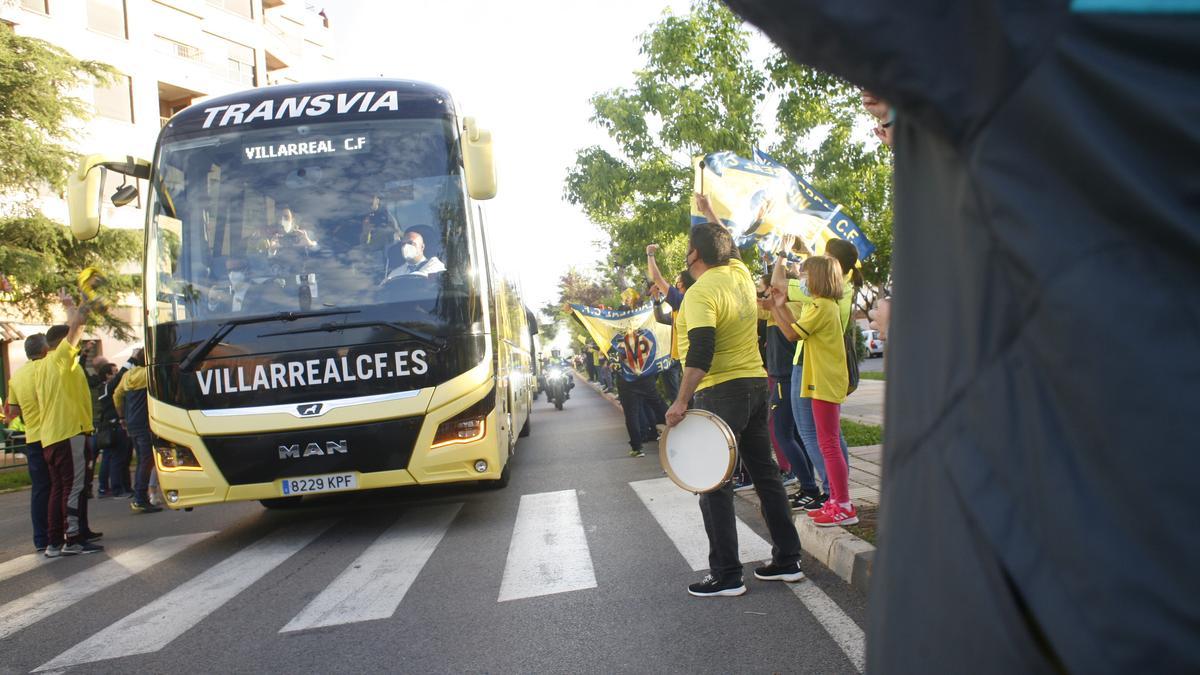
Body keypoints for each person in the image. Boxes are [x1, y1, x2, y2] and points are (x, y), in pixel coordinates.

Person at [665, 220, 803, 597]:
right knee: (766, 475)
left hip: (719, 391)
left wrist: (680, 401)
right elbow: (729, 247)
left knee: (714, 483)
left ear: (694, 254)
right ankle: (788, 559)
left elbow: (701, 352)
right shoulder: (740, 274)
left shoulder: (700, 292)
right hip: (756, 386)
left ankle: (727, 574)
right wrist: (710, 214)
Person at [771, 236, 857, 511]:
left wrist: (776, 306)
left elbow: (791, 333)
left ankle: (839, 500)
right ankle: (837, 498)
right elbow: (795, 329)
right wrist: (778, 307)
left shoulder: (823, 305)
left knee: (823, 440)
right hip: (819, 377)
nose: (802, 279)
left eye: (806, 276)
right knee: (827, 439)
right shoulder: (827, 301)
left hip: (822, 378)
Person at [36, 296, 103, 557]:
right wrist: (85, 303)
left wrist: (68, 306)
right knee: (74, 487)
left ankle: (54, 542)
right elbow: (75, 328)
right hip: (68, 433)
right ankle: (73, 539)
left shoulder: (45, 365)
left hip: (52, 436)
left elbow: (70, 327)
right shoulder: (61, 359)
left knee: (58, 489)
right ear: (63, 343)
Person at [4, 334, 51, 553]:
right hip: (55, 435)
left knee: (40, 489)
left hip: (32, 438)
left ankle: (40, 538)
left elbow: (12, 411)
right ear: (45, 350)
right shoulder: (48, 368)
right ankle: (60, 534)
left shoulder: (17, 377)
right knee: (60, 486)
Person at [113, 351, 161, 514]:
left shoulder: (127, 376)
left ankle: (140, 496)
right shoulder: (149, 374)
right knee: (146, 461)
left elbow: (116, 396)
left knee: (142, 461)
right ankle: (140, 498)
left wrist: (122, 417)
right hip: (146, 423)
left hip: (132, 423)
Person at [381, 229, 445, 281]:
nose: (405, 246)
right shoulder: (395, 273)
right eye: (403, 244)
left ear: (422, 247)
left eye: (410, 243)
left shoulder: (434, 264)